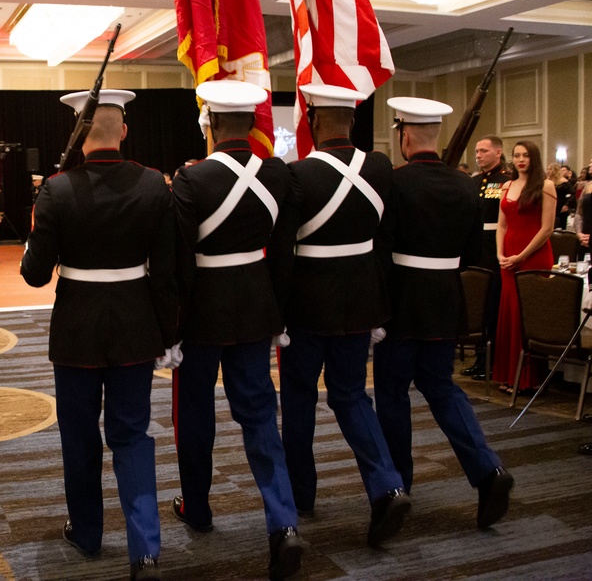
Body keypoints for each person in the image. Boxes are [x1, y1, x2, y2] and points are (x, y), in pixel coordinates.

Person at [21, 89, 176, 581]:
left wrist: (37, 224)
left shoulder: (58, 189)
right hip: (135, 328)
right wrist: (168, 334)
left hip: (77, 336)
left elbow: (34, 274)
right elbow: (169, 271)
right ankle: (146, 550)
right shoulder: (154, 185)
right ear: (124, 131)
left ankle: (87, 534)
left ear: (78, 133)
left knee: (80, 436)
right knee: (133, 437)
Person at [170, 80, 305, 579]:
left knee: (195, 414)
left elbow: (180, 263)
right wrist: (277, 310)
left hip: (203, 315)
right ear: (251, 125)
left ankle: (198, 508)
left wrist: (173, 324)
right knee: (260, 418)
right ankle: (284, 523)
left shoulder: (190, 181)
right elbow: (284, 253)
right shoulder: (278, 175)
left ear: (209, 123)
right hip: (256, 310)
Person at [373, 96, 514, 530]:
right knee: (442, 389)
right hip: (445, 301)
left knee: (393, 395)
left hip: (402, 303)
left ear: (404, 134)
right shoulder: (466, 185)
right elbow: (474, 253)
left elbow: (381, 250)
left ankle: (397, 486)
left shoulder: (395, 183)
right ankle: (488, 470)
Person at [278, 84, 409, 547]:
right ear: (352, 119)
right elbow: (385, 237)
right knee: (352, 396)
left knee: (297, 399)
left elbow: (284, 250)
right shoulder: (378, 168)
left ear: (312, 120)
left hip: (308, 307)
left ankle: (302, 493)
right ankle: (387, 484)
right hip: (360, 303)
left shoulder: (298, 175)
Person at [492, 141, 556, 393]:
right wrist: (500, 253)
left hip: (533, 255)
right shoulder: (506, 185)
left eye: (525, 156)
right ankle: (509, 375)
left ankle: (527, 379)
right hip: (507, 257)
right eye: (517, 155)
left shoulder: (545, 185)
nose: (520, 160)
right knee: (508, 313)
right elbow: (502, 225)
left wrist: (521, 255)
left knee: (524, 315)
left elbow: (547, 228)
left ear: (534, 158)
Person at [461, 136, 511, 381]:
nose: (478, 155)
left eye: (483, 151)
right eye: (477, 151)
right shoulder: (475, 181)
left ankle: (491, 360)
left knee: (492, 305)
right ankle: (480, 357)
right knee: (477, 305)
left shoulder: (507, 181)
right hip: (475, 248)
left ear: (498, 152)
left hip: (494, 250)